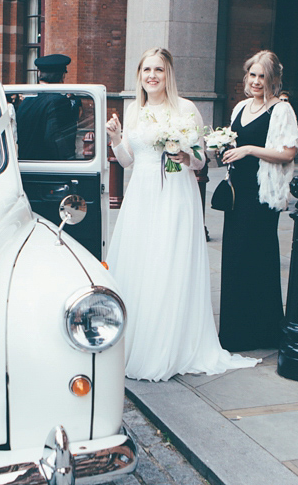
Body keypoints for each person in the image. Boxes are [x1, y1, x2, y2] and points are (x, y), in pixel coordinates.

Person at [105, 47, 260, 381]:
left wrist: (184, 153)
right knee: (142, 263)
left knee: (170, 262)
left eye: (158, 70)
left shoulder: (186, 109)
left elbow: (202, 160)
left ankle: (172, 344)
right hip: (143, 194)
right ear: (139, 75)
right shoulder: (134, 109)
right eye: (147, 70)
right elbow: (127, 160)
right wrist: (117, 139)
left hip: (177, 193)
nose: (152, 76)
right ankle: (138, 340)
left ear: (168, 74)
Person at [216, 50, 298, 352]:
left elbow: (289, 152)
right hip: (237, 192)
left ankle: (262, 331)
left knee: (257, 257)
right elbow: (234, 144)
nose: (255, 81)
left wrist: (250, 149)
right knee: (234, 257)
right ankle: (235, 332)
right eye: (252, 74)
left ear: (273, 79)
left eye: (262, 76)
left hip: (262, 195)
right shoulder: (240, 107)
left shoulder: (281, 110)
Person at [16, 54, 79, 159]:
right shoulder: (59, 101)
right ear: (63, 76)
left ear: (39, 74)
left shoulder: (26, 102)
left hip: (26, 167)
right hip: (48, 169)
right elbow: (57, 140)